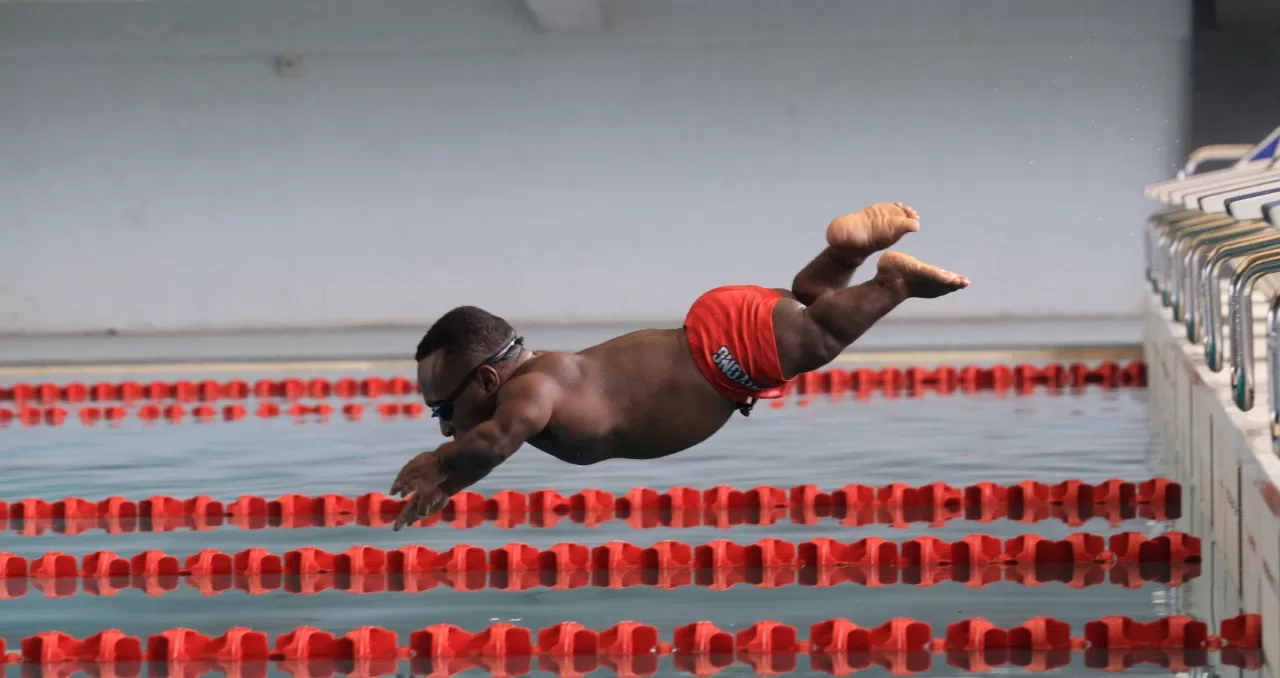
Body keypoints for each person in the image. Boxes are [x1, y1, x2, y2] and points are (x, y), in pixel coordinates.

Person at [389, 203, 969, 529]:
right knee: (807, 306)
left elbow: (494, 441)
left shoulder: (532, 391)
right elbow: (486, 450)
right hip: (721, 338)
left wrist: (438, 461)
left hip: (720, 354)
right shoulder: (539, 384)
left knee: (816, 341)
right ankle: (844, 253)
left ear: (488, 379)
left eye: (444, 408)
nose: (443, 425)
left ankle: (890, 281)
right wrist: (452, 483)